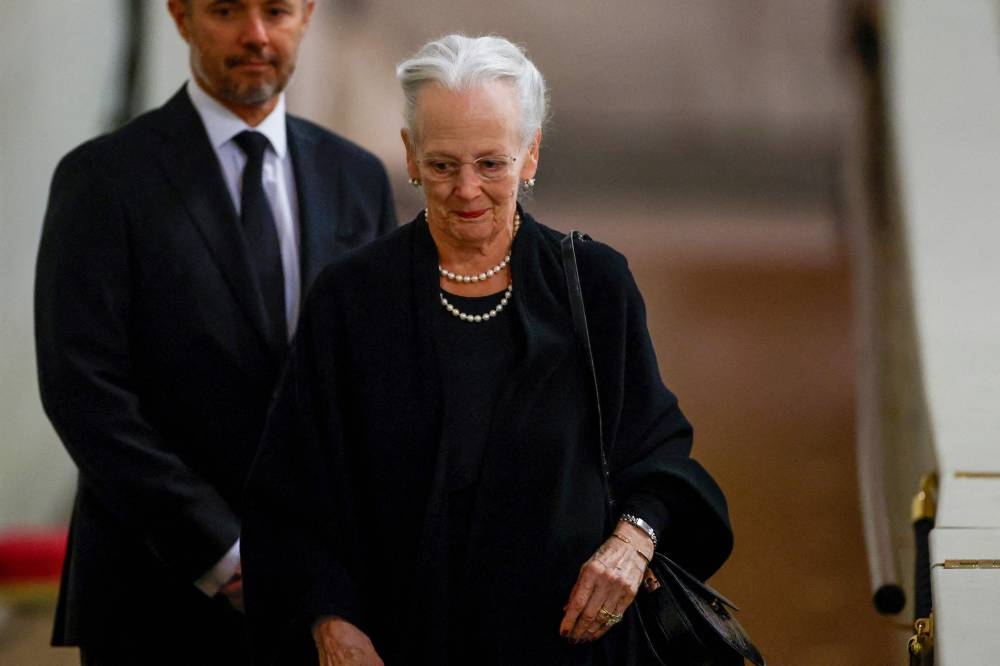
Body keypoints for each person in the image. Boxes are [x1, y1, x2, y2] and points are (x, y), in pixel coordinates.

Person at [242, 34, 732, 665]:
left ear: (530, 155)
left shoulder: (595, 284)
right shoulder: (351, 299)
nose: (466, 190)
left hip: (571, 652)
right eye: (443, 165)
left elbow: (659, 455)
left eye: (491, 163)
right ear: (410, 155)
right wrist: (329, 621)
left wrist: (631, 546)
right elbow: (289, 495)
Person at [33, 1, 396, 663]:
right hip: (151, 596)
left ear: (306, 16)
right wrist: (224, 554)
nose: (255, 34)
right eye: (227, 9)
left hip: (316, 601)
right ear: (180, 16)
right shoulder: (102, 179)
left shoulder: (358, 179)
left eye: (277, 11)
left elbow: (375, 388)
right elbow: (84, 392)